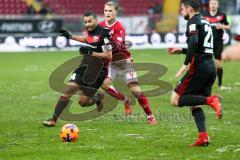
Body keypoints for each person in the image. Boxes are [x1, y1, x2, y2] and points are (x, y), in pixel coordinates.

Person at [168, 0, 222, 147]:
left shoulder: (192, 21)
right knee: (195, 103)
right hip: (210, 67)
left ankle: (212, 100)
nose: (181, 12)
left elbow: (193, 42)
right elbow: (200, 46)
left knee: (175, 99)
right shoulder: (205, 22)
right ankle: (203, 137)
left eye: (182, 9)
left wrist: (185, 64)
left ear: (190, 9)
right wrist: (182, 50)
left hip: (198, 67)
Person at [43, 12, 112, 127]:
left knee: (83, 102)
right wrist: (70, 36)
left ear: (96, 20)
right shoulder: (90, 31)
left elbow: (109, 55)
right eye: (85, 22)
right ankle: (53, 120)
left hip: (98, 72)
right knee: (70, 88)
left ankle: (97, 98)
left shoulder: (104, 33)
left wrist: (91, 52)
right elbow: (86, 39)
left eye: (90, 21)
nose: (88, 24)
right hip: (84, 66)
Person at [99, 1, 157, 124]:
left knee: (134, 88)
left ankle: (150, 116)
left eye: (110, 11)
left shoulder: (119, 27)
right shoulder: (101, 25)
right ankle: (125, 99)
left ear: (116, 12)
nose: (108, 13)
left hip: (124, 61)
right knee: (104, 85)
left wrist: (109, 37)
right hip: (110, 62)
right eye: (106, 11)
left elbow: (119, 45)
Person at [203, 0, 231, 90]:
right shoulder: (204, 15)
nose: (213, 5)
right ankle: (205, 83)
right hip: (207, 43)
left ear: (217, 5)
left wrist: (222, 26)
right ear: (209, 5)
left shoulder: (222, 15)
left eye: (215, 4)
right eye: (211, 4)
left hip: (218, 43)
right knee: (205, 64)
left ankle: (220, 85)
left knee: (218, 64)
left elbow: (228, 26)